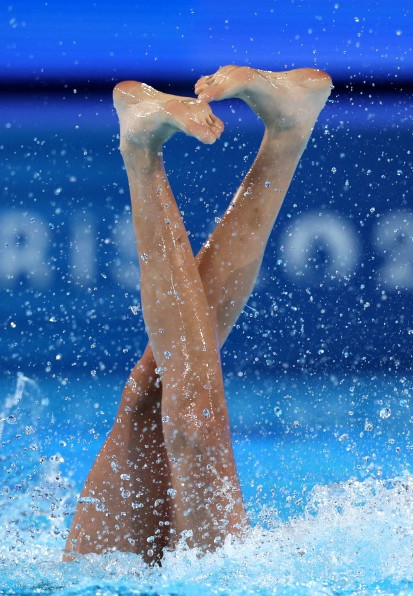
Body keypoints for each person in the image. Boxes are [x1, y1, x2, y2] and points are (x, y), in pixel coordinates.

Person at [64, 66, 333, 564]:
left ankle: (150, 151)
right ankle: (283, 133)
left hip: (104, 588)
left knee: (153, 396)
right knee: (182, 409)